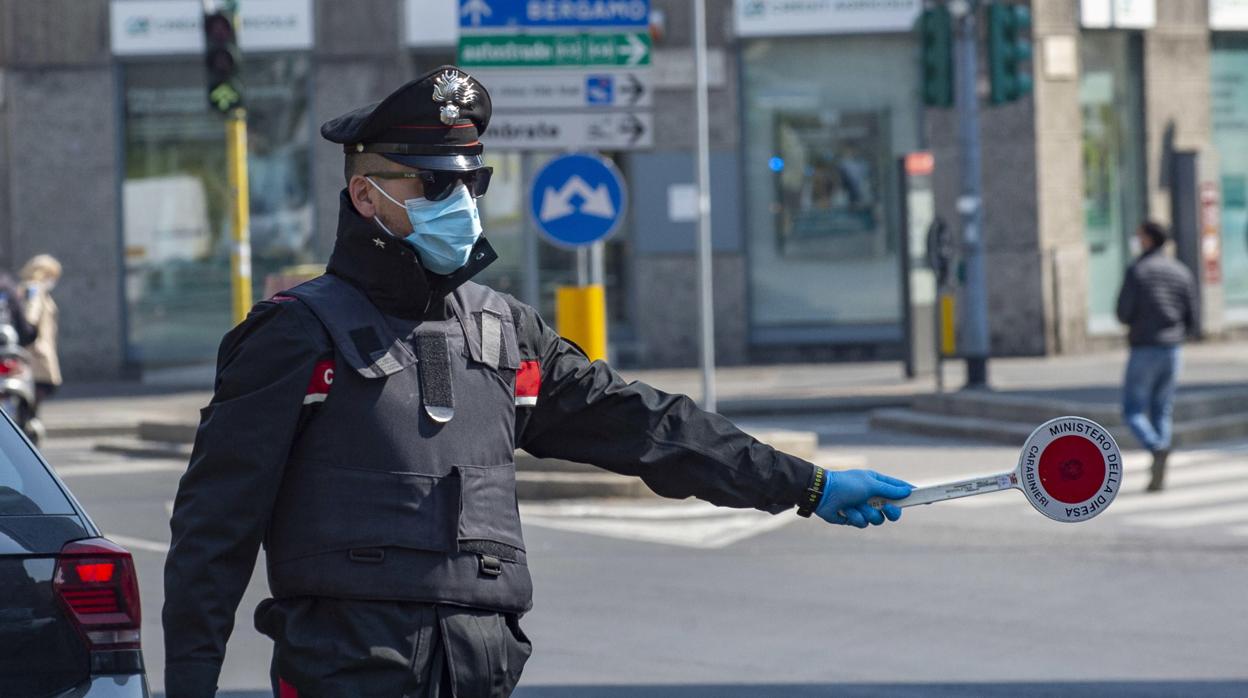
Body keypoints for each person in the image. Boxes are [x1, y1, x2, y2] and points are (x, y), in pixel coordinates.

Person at [162, 66, 914, 698]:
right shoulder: (295, 334)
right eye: (433, 185)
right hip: (345, 671)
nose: (459, 204)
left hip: (483, 672)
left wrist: (807, 485)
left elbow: (648, 427)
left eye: (471, 182)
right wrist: (191, 683)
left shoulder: (503, 331)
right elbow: (213, 530)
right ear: (367, 198)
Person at [1116, 220, 1199, 492]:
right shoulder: (1180, 271)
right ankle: (1159, 460)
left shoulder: (1138, 270)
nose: (1137, 241)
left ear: (1149, 239)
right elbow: (1192, 315)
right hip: (1173, 348)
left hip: (1144, 347)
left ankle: (1156, 447)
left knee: (1133, 408)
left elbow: (1123, 312)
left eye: (1139, 236)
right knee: (1162, 408)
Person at [19, 255, 63, 412]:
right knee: (37, 392)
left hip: (35, 350)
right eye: (52, 276)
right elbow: (31, 316)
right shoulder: (35, 289)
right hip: (37, 352)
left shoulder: (27, 288)